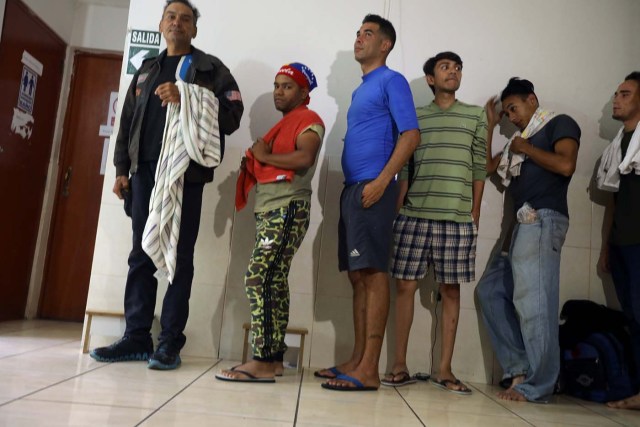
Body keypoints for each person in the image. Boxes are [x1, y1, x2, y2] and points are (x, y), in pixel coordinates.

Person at [90, 0, 243, 370]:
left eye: (185, 19)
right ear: (161, 24)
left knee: (180, 258)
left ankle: (169, 343)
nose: (177, 23)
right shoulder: (146, 70)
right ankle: (136, 337)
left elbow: (233, 116)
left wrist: (189, 98)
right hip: (144, 173)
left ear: (194, 29)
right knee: (141, 252)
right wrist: (121, 169)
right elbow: (125, 121)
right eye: (171, 17)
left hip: (186, 175)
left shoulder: (211, 69)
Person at [315, 14, 420, 391]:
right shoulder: (363, 88)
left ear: (385, 44)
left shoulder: (392, 81)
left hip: (372, 190)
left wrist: (381, 182)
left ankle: (370, 369)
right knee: (359, 276)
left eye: (368, 34)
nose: (360, 39)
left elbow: (411, 136)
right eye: (358, 33)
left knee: (374, 274)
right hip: (354, 190)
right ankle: (358, 360)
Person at [382, 52, 487, 394]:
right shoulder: (416, 117)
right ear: (430, 78)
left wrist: (475, 212)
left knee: (451, 291)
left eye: (458, 67)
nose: (453, 71)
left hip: (456, 219)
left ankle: (445, 369)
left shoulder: (474, 116)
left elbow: (478, 166)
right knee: (404, 288)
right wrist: (398, 210)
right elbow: (406, 169)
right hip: (414, 215)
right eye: (445, 67)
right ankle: (398, 365)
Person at [215, 63, 324, 383]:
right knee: (274, 281)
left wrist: (263, 157)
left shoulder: (309, 120)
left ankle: (261, 360)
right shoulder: (287, 124)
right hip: (274, 210)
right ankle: (275, 358)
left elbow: (304, 158)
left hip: (287, 208)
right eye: (276, 85)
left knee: (257, 276)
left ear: (304, 93)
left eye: (287, 86)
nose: (279, 91)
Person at [476, 77, 580, 402]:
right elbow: (487, 167)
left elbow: (566, 165)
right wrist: (491, 126)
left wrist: (529, 149)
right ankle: (519, 368)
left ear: (532, 100)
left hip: (543, 219)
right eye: (506, 112)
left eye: (513, 108)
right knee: (489, 291)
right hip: (521, 226)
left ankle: (540, 383)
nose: (512, 117)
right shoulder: (519, 141)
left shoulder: (558, 124)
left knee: (535, 304)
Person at [597, 71, 640, 410]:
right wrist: (605, 246)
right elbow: (612, 199)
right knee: (633, 317)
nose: (616, 99)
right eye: (616, 93)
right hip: (622, 243)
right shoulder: (617, 147)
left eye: (625, 93)